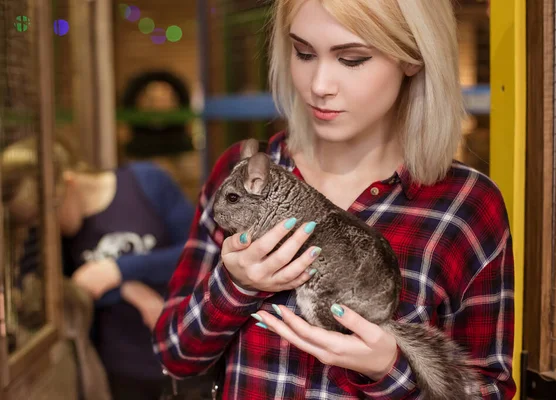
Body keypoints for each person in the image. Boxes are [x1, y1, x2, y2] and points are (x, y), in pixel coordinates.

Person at [152, 0, 516, 398]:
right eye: (304, 53)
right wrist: (235, 286)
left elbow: (486, 390)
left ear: (413, 57)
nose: (319, 85)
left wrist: (389, 371)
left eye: (353, 59)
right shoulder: (241, 177)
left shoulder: (466, 206)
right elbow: (173, 355)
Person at [1, 137, 195, 400]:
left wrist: (119, 269)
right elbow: (54, 292)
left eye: (50, 214)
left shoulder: (146, 181)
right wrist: (126, 289)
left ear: (69, 183)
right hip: (120, 371)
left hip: (189, 352)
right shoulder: (56, 239)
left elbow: (197, 254)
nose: (49, 228)